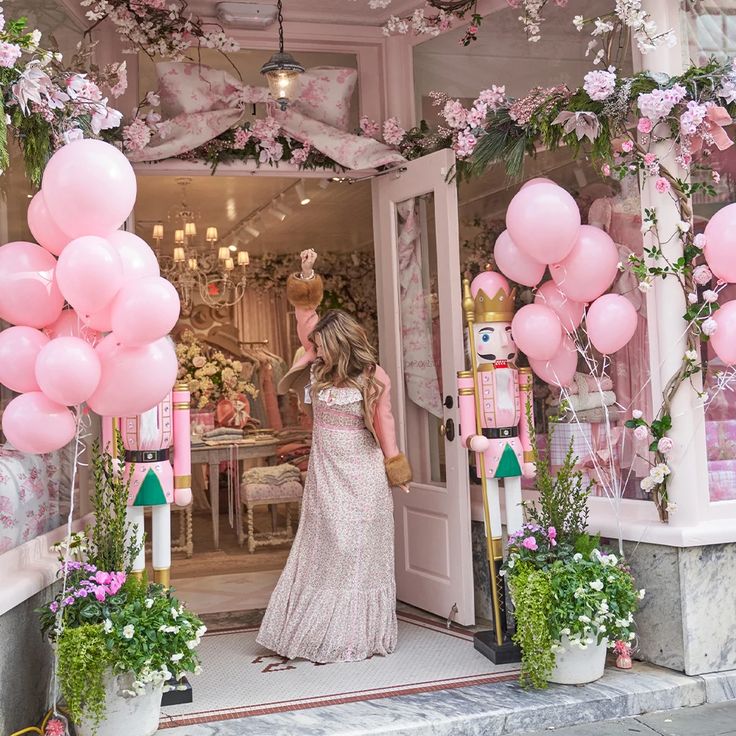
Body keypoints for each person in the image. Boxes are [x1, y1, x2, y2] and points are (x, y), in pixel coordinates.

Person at [256, 249, 412, 663]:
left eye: (323, 345)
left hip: (362, 471)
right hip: (327, 472)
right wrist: (306, 276)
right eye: (316, 344)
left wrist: (396, 469)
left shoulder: (373, 375)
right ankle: (314, 630)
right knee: (329, 548)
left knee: (357, 550)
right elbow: (307, 319)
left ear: (341, 343)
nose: (316, 349)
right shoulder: (316, 368)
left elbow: (385, 423)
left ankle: (353, 633)